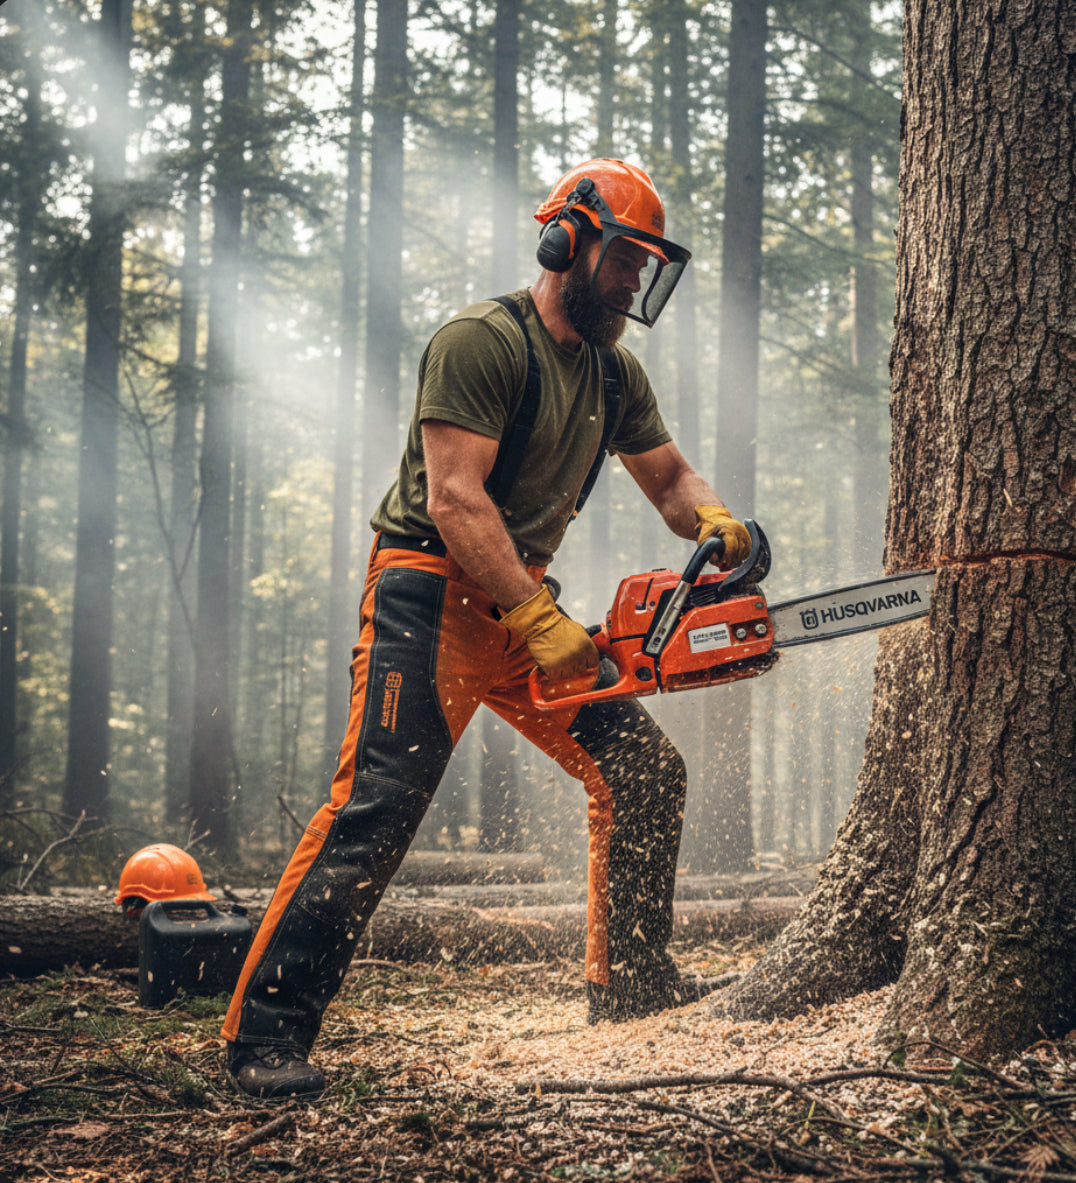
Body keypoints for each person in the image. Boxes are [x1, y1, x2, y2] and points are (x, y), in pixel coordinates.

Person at [222, 158, 751, 1099]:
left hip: (522, 602)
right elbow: (457, 500)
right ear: (568, 239)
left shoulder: (615, 373)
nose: (633, 283)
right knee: (377, 804)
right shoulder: (482, 341)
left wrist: (715, 520)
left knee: (642, 769)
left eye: (645, 267)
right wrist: (537, 618)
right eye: (626, 259)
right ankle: (264, 1032)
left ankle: (630, 981)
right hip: (432, 596)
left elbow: (669, 480)